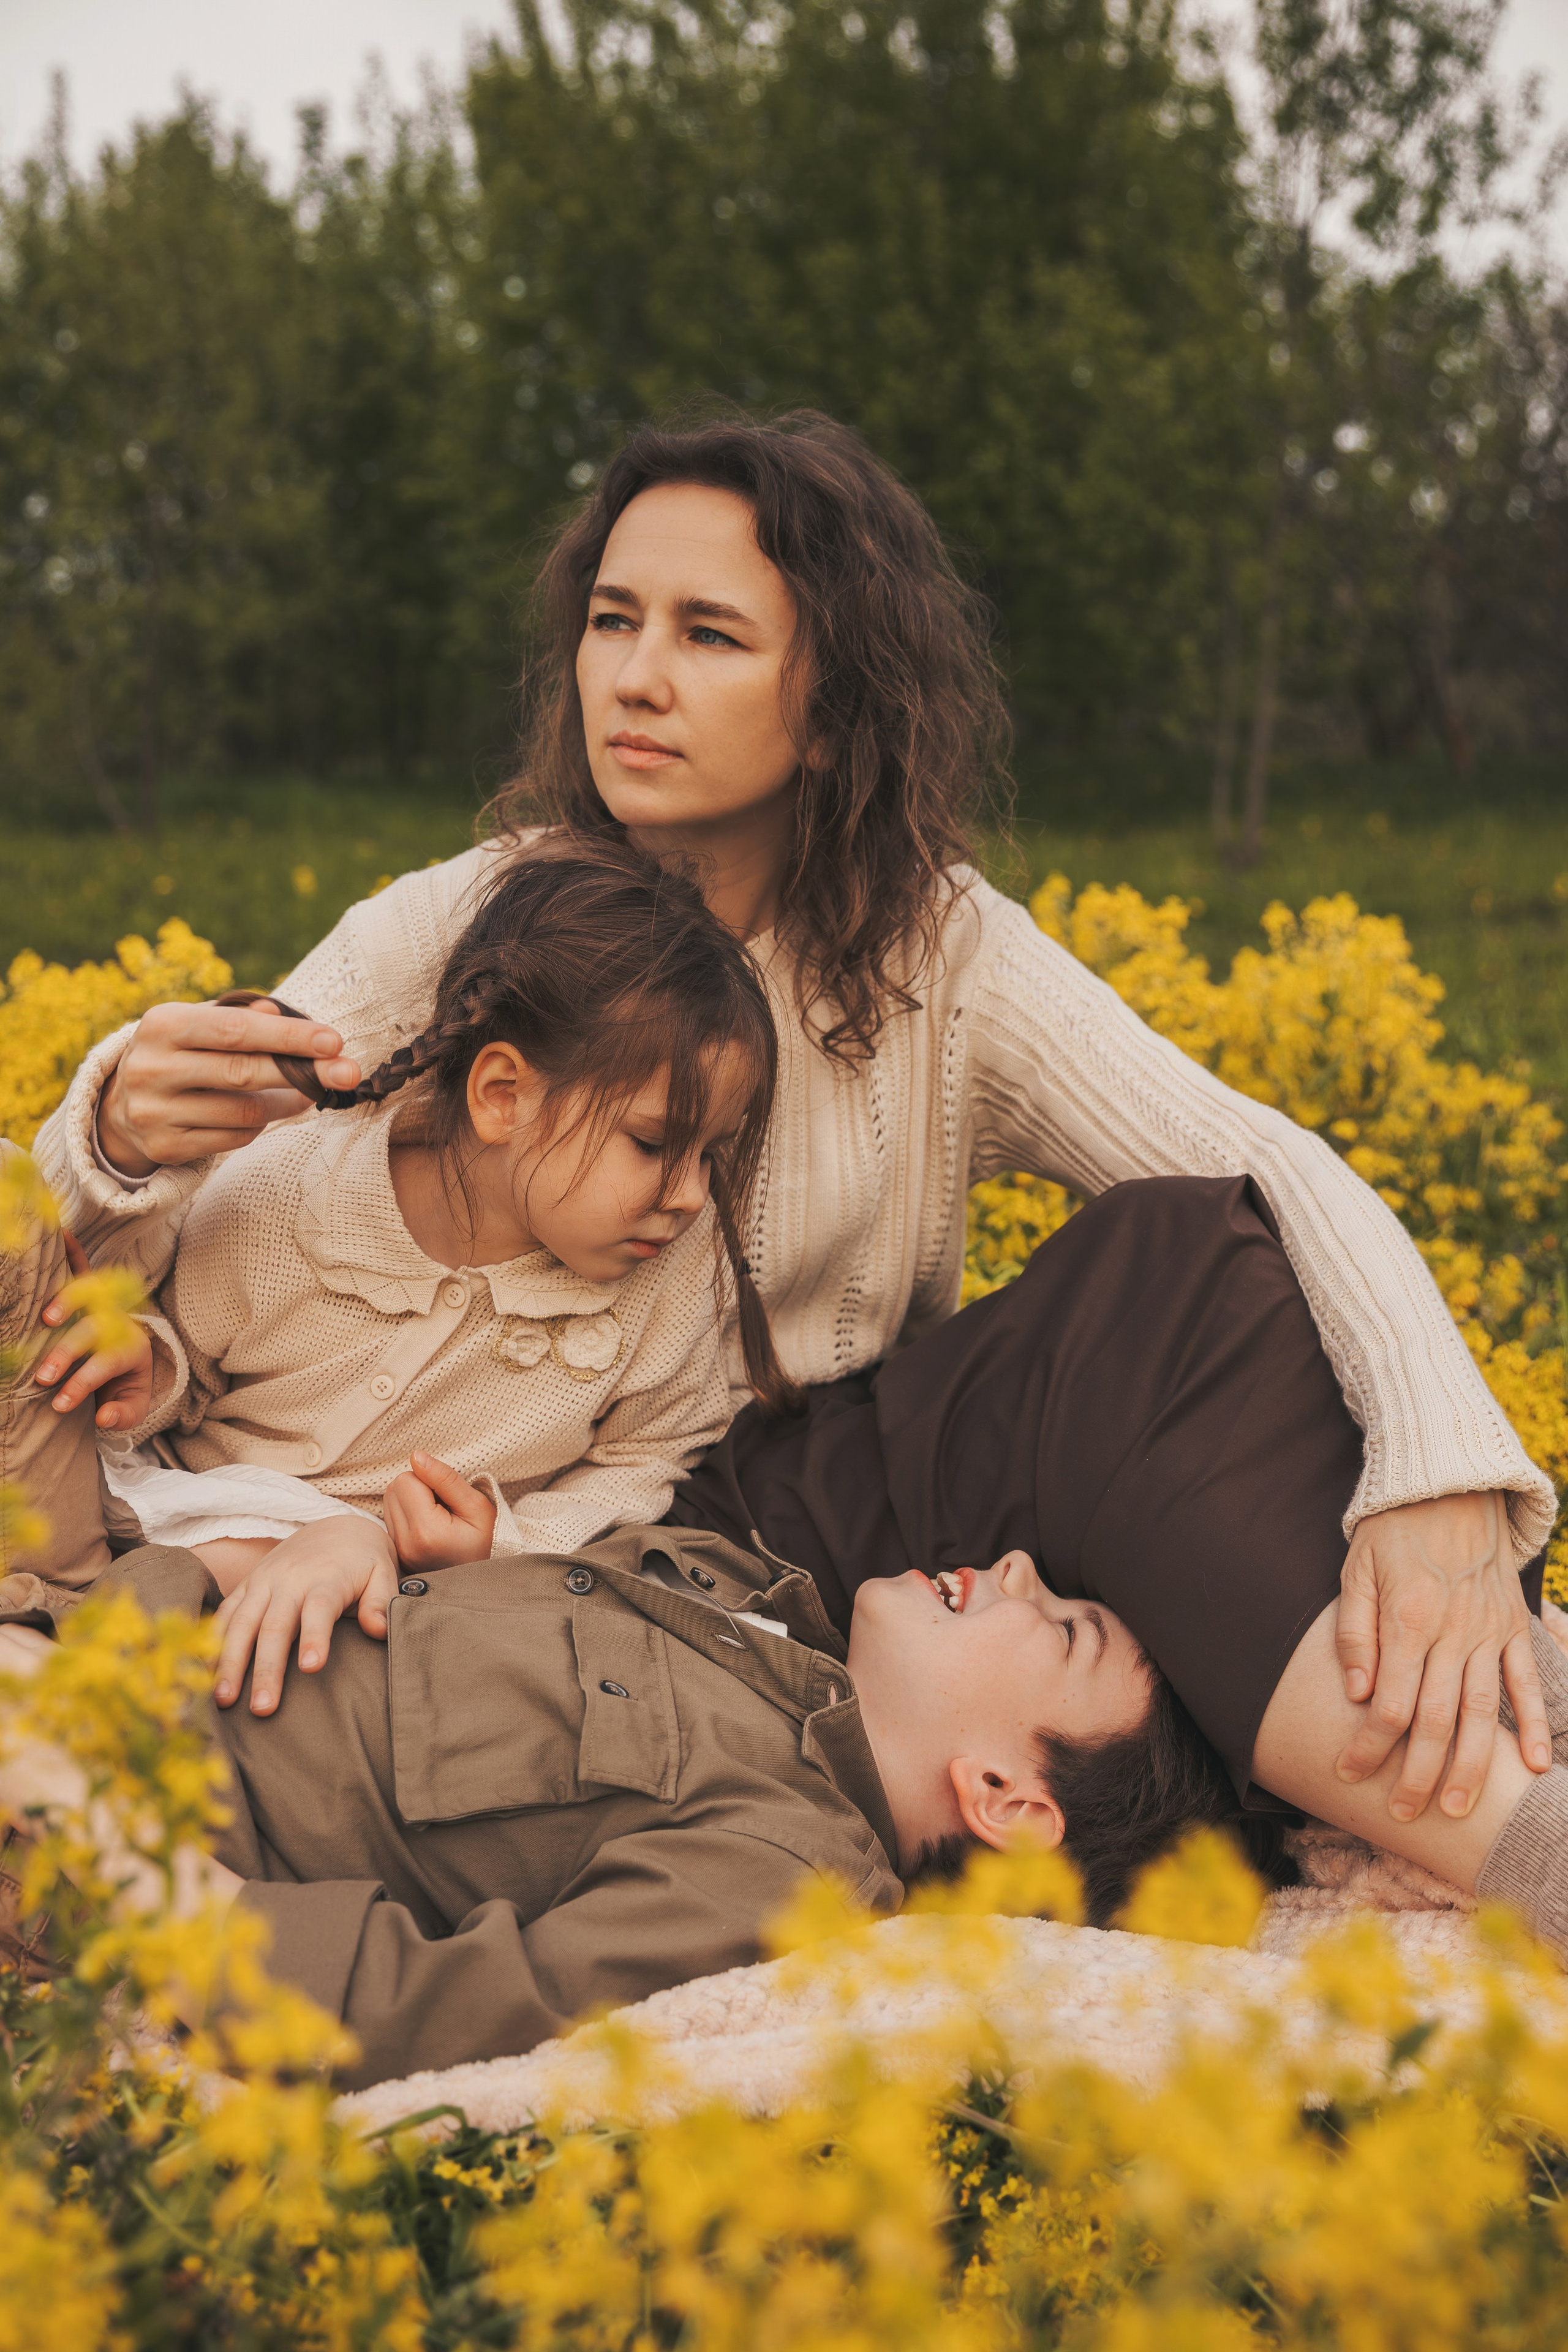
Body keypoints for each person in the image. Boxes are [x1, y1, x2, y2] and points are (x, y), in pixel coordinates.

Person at [30, 409, 1558, 1822]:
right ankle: (1507, 1818)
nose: (632, 676)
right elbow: (196, 1218)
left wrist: (1436, 1480)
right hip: (533, 1525)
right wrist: (116, 1135)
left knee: (1189, 1255)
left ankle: (1505, 1706)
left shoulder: (942, 959)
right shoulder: (489, 920)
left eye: (707, 635)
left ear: (832, 708)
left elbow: (1264, 1166)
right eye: (612, 621)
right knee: (1178, 1386)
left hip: (820, 1509)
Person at [5, 844, 793, 1705]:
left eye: (710, 1155)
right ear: (502, 1095)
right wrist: (147, 1369)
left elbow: (651, 1455)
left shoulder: (670, 1281)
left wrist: (502, 1547)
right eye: (652, 1144)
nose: (688, 1197)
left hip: (356, 1623)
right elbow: (184, 1359)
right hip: (164, 1520)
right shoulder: (294, 1195)